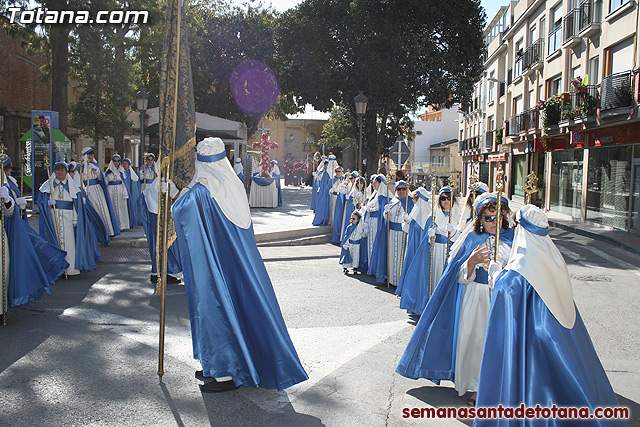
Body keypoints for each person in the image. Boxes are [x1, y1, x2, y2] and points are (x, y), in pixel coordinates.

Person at [171, 137, 308, 392]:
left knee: (216, 307)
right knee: (237, 308)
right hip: (238, 264)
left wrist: (175, 193)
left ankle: (226, 370)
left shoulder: (203, 191)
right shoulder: (231, 184)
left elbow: (181, 211)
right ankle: (217, 364)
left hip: (216, 266)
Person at [474, 205, 626, 425]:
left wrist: (496, 275)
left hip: (532, 341)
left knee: (536, 385)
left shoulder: (516, 272)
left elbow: (505, 295)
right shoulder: (553, 258)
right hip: (558, 338)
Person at [396, 192, 514, 404]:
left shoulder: (513, 240)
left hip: (504, 301)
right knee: (476, 342)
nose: (493, 223)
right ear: (479, 218)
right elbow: (458, 275)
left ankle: (501, 386)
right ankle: (479, 387)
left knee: (501, 343)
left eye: (498, 217)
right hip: (476, 299)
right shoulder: (472, 239)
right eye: (488, 218)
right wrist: (471, 262)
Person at [37, 162, 99, 275]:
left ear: (66, 172)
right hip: (53, 217)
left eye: (62, 170)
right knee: (55, 242)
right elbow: (40, 202)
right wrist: (48, 204)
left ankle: (70, 269)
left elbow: (77, 203)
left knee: (69, 243)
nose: (60, 172)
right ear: (54, 171)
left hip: (68, 218)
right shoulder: (48, 186)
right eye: (57, 170)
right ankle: (56, 270)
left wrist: (75, 219)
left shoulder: (72, 186)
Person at [138, 177, 182, 285]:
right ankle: (160, 273)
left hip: (156, 209)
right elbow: (176, 195)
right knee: (162, 242)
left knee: (163, 242)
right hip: (155, 210)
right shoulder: (166, 182)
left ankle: (163, 272)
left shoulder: (165, 180)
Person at [396, 187, 431, 302]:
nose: (413, 200)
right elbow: (408, 228)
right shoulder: (416, 210)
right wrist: (406, 221)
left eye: (415, 198)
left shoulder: (424, 213)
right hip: (411, 244)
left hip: (417, 247)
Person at [79, 147, 120, 237]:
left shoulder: (95, 166)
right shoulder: (81, 167)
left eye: (92, 155)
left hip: (97, 189)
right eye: (89, 155)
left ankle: (106, 231)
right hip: (87, 190)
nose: (91, 156)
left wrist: (97, 171)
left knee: (101, 209)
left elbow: (101, 178)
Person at [384, 180, 414, 286]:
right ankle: (392, 280)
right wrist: (386, 212)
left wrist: (408, 219)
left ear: (407, 189)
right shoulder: (393, 201)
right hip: (392, 233)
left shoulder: (411, 202)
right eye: (399, 189)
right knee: (392, 256)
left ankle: (401, 282)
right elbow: (387, 218)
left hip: (403, 234)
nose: (401, 191)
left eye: (403, 189)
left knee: (402, 257)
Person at [365, 174, 392, 282]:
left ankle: (376, 268)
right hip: (371, 222)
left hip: (377, 223)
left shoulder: (384, 197)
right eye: (372, 183)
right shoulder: (375, 194)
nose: (373, 184)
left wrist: (369, 208)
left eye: (375, 183)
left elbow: (376, 208)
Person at [104, 154, 130, 231]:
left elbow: (124, 183)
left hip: (120, 190)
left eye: (118, 161)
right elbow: (105, 182)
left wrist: (125, 192)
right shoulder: (108, 172)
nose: (116, 162)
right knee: (112, 207)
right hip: (111, 190)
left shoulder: (122, 172)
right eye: (114, 161)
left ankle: (122, 225)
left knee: (121, 207)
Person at [339, 208, 365, 274]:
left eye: (354, 219)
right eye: (351, 218)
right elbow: (347, 236)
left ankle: (355, 267)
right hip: (350, 243)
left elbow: (362, 233)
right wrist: (345, 244)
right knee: (348, 255)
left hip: (357, 244)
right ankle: (345, 267)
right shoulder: (349, 227)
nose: (352, 220)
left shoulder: (359, 227)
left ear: (358, 220)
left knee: (356, 256)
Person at [121, 158, 141, 228]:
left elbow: (135, 180)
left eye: (125, 164)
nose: (124, 165)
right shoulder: (121, 172)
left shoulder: (130, 173)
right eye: (123, 164)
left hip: (130, 191)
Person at [312, 159, 331, 226]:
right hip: (323, 189)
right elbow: (319, 177)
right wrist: (316, 176)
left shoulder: (330, 171)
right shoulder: (322, 170)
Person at [330, 167, 346, 243]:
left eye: (339, 171)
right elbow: (328, 189)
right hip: (334, 199)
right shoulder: (332, 180)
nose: (338, 173)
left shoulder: (344, 180)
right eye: (336, 171)